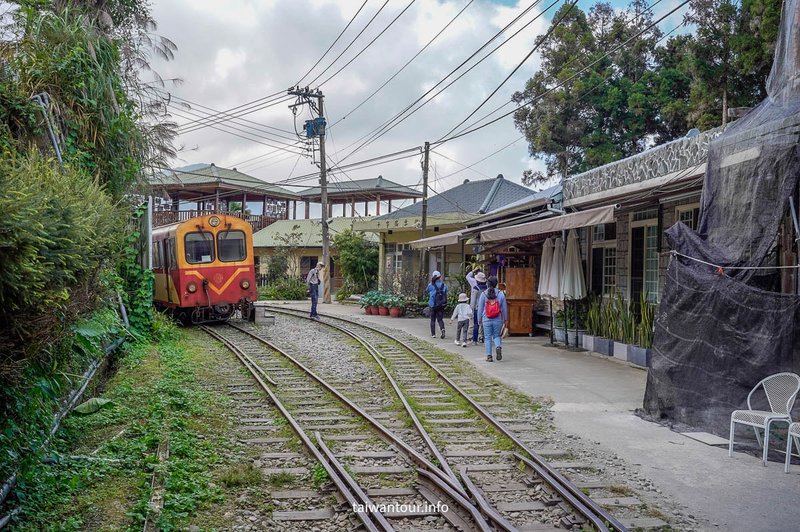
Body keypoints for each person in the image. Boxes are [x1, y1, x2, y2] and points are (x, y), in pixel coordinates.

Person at [478, 276, 508, 362]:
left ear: (488, 283)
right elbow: (504, 308)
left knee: (487, 338)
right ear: (496, 284)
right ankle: (498, 346)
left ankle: (489, 356)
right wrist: (505, 319)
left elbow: (480, 308)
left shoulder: (483, 294)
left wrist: (479, 319)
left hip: (486, 319)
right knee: (496, 335)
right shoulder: (501, 294)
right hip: (498, 319)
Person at [426, 270, 448, 338]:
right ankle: (442, 329)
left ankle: (433, 334)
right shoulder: (444, 285)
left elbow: (427, 290)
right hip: (441, 305)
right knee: (440, 319)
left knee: (432, 320)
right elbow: (445, 292)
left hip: (432, 305)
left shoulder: (430, 285)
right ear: (440, 277)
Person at [468, 271, 487, 345]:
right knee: (484, 323)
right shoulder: (487, 288)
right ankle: (483, 337)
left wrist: (471, 310)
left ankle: (475, 340)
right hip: (486, 308)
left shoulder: (476, 288)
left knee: (476, 324)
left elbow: (473, 301)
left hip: (477, 308)